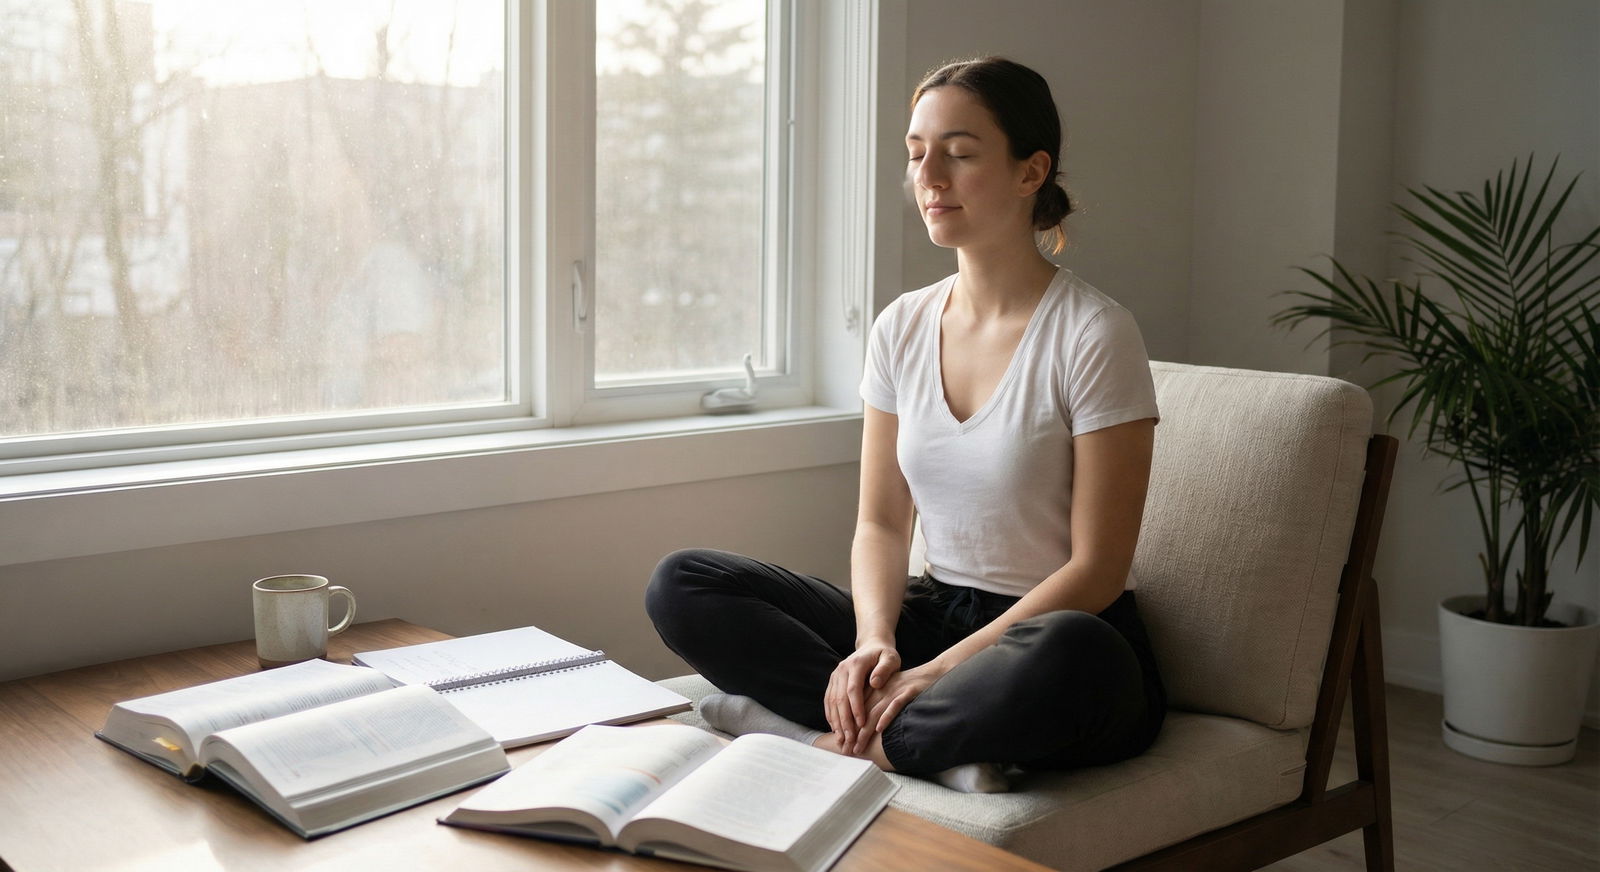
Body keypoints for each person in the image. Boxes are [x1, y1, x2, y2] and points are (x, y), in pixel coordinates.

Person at [645, 56, 1164, 793]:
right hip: (932, 610)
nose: (930, 177)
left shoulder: (1094, 334)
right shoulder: (901, 326)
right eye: (917, 154)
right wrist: (875, 642)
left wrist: (942, 671)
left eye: (958, 153)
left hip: (1043, 637)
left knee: (1076, 652)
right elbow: (883, 524)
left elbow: (1098, 569)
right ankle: (919, 742)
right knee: (685, 583)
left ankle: (811, 736)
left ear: (1030, 172)